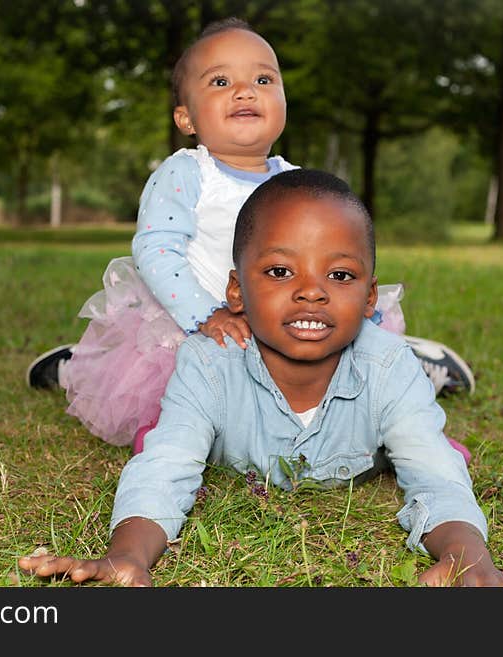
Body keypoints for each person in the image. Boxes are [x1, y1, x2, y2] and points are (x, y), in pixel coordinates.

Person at [18, 168, 503, 587]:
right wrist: (128, 553)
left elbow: (434, 479)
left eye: (339, 275)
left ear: (369, 297)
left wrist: (466, 551)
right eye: (280, 272)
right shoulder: (209, 363)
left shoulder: (387, 366)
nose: (311, 292)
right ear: (236, 290)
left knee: (433, 454)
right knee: (160, 441)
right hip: (223, 426)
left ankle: (422, 422)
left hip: (366, 445)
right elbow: (165, 469)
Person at [26, 18, 475, 458]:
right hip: (208, 328)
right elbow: (156, 249)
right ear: (185, 117)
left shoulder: (299, 185)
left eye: (263, 78)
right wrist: (207, 315)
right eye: (220, 82)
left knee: (359, 368)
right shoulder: (186, 174)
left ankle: (415, 432)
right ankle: (103, 387)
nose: (245, 90)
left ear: (282, 100)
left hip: (290, 322)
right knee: (191, 391)